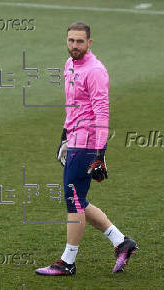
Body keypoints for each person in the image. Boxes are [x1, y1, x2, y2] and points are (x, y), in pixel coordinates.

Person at [34, 22, 138, 276]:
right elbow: (72, 106)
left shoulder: (96, 71)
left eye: (80, 41)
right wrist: (63, 136)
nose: (74, 46)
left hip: (87, 145)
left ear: (89, 43)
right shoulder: (69, 65)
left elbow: (102, 113)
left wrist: (99, 153)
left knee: (73, 201)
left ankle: (67, 262)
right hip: (74, 140)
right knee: (78, 198)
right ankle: (121, 242)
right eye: (71, 40)